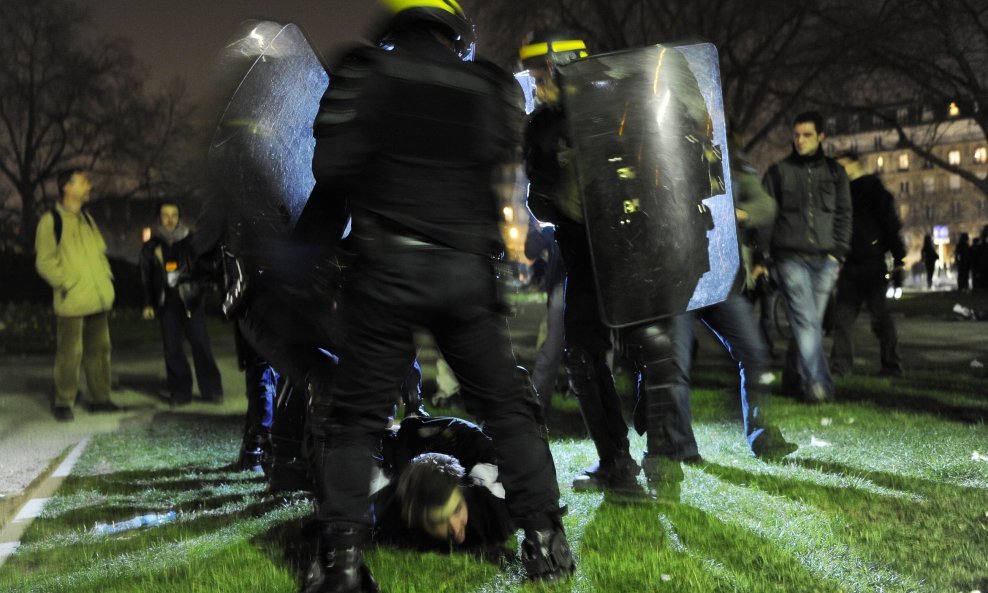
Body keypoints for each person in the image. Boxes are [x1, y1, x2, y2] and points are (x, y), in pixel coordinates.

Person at [302, 3, 574, 591]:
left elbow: (332, 170)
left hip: (385, 272)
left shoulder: (364, 73)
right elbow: (507, 187)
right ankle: (546, 539)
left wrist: (302, 258)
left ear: (397, 21)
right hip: (464, 275)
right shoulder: (491, 87)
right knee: (507, 407)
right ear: (452, 25)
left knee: (354, 420)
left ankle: (342, 566)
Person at [669, 130, 798, 459]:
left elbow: (765, 206)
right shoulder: (665, 146)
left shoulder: (726, 159)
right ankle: (681, 448)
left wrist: (736, 213)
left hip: (718, 275)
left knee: (753, 354)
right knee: (675, 365)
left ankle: (764, 438)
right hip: (678, 275)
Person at [763, 111, 852, 403]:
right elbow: (767, 217)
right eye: (796, 135)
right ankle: (818, 385)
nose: (800, 141)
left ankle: (792, 378)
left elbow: (844, 213)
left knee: (809, 325)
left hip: (826, 259)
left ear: (821, 137)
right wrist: (766, 257)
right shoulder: (778, 172)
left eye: (807, 135)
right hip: (790, 258)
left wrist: (838, 253)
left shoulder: (836, 173)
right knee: (807, 324)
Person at [35, 169, 119, 421]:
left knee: (100, 351)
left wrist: (106, 279)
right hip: (72, 300)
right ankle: (64, 401)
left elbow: (100, 254)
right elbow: (45, 262)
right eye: (83, 182)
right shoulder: (51, 221)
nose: (89, 186)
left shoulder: (87, 219)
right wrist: (68, 283)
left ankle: (100, 398)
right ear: (67, 188)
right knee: (69, 353)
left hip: (97, 298)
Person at [373, 416, 513, 558]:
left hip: (456, 441)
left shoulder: (494, 500)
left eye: (457, 509)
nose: (455, 527)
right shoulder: (389, 513)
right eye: (439, 521)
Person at [829, 151, 906, 378]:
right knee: (842, 319)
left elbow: (890, 225)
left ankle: (891, 365)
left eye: (841, 166)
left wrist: (899, 258)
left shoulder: (873, 192)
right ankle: (841, 367)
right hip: (853, 263)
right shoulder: (844, 193)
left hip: (872, 263)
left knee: (879, 318)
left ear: (854, 165)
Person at [140, 200, 223, 405]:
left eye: (174, 215)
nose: (170, 220)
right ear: (159, 218)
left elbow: (205, 270)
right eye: (165, 215)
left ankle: (211, 389)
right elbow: (145, 277)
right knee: (172, 350)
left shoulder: (191, 241)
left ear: (179, 217)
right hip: (166, 305)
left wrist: (199, 287)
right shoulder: (151, 246)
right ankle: (180, 392)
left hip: (190, 301)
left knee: (201, 345)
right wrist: (148, 304)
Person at [524, 219, 565, 417]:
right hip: (563, 285)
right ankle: (536, 405)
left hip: (567, 285)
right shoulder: (550, 230)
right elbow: (532, 251)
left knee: (552, 349)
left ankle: (536, 405)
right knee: (551, 348)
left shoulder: (551, 230)